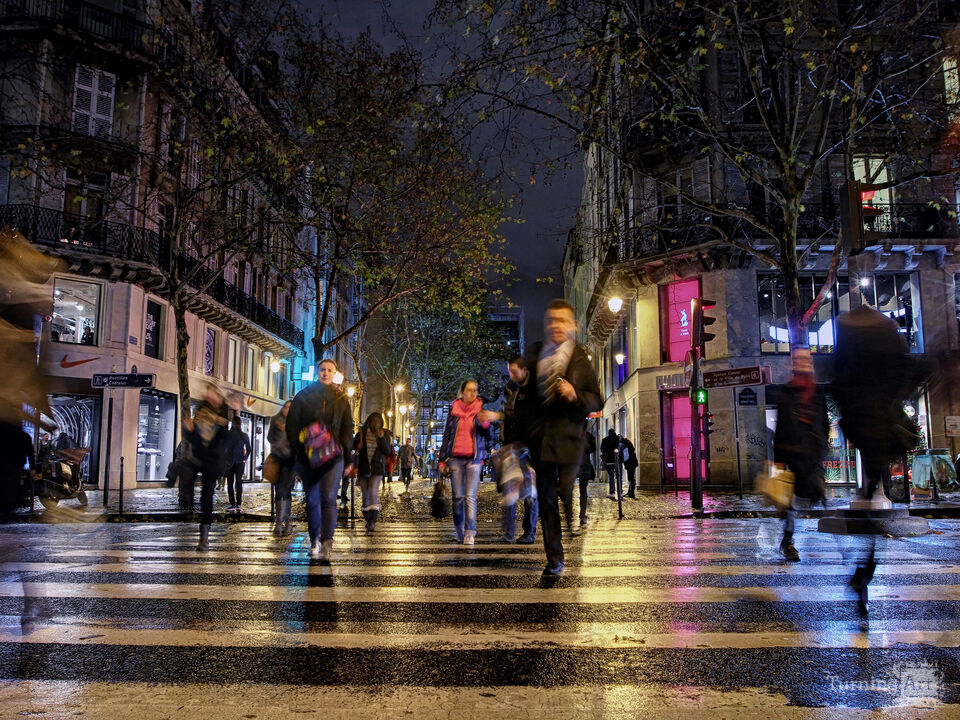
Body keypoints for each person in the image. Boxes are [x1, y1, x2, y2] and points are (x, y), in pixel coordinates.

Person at [516, 299, 602, 575]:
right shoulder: (535, 352)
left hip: (569, 439)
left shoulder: (580, 358)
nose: (556, 325)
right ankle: (554, 557)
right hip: (541, 440)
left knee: (562, 488)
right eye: (551, 320)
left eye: (562, 320)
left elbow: (596, 399)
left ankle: (567, 501)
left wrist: (575, 395)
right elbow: (522, 398)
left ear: (573, 325)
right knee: (546, 499)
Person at [286, 358, 354, 563]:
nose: (325, 373)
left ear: (335, 374)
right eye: (322, 369)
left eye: (329, 370)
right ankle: (315, 539)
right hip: (308, 457)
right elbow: (292, 426)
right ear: (318, 372)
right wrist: (297, 451)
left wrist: (348, 455)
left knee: (328, 498)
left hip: (334, 456)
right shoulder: (303, 396)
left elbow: (347, 429)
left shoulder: (341, 399)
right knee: (313, 500)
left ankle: (327, 540)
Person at [773, 347, 829, 562]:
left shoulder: (817, 392)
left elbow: (823, 424)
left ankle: (843, 548)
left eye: (806, 358)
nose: (803, 362)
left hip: (812, 453)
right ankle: (787, 541)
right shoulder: (785, 392)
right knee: (789, 503)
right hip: (790, 453)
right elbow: (780, 426)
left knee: (814, 496)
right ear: (792, 363)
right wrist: (776, 459)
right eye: (798, 359)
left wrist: (821, 450)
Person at [439, 379, 495, 545]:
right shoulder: (453, 412)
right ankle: (459, 530)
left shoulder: (480, 412)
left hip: (474, 459)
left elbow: (489, 437)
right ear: (462, 392)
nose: (473, 393)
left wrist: (485, 424)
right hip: (455, 459)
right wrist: (442, 461)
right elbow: (447, 436)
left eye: (475, 390)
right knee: (458, 497)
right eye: (469, 390)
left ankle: (470, 531)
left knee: (470, 496)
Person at [182, 382, 231, 551]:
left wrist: (220, 424)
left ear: (217, 395)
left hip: (213, 461)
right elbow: (192, 437)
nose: (209, 396)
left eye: (211, 393)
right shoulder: (202, 410)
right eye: (207, 393)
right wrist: (188, 429)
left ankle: (204, 539)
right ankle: (186, 503)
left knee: (206, 497)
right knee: (185, 476)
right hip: (198, 457)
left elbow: (227, 438)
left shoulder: (224, 412)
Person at [497, 356, 538, 543]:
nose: (511, 375)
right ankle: (509, 531)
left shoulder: (533, 389)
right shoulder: (510, 389)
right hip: (512, 446)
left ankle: (529, 531)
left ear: (524, 370)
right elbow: (507, 416)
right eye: (509, 372)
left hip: (529, 447)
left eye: (514, 371)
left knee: (530, 492)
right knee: (511, 490)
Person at [354, 412, 392, 532]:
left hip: (376, 469)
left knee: (372, 493)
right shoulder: (361, 434)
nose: (377, 423)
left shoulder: (384, 434)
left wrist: (381, 438)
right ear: (369, 421)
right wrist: (357, 447)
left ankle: (372, 521)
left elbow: (387, 451)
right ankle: (367, 519)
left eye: (378, 421)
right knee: (365, 496)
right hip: (363, 468)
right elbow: (354, 449)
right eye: (374, 421)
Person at [267, 401, 294, 536]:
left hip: (290, 460)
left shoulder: (295, 423)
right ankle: (279, 521)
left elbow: (297, 441)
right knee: (280, 490)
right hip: (278, 458)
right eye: (286, 407)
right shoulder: (275, 420)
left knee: (286, 490)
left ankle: (287, 521)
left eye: (290, 408)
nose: (287, 410)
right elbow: (269, 437)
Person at [224, 417, 251, 513]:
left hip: (239, 461)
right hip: (230, 462)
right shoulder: (228, 435)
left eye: (237, 423)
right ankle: (233, 503)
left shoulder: (243, 435)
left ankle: (238, 503)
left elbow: (249, 448)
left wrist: (244, 459)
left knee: (238, 482)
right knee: (231, 483)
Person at [600, 428, 621, 499]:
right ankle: (620, 492)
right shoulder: (617, 439)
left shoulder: (605, 440)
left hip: (609, 460)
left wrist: (607, 451)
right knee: (619, 477)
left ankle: (612, 492)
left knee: (611, 477)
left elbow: (602, 449)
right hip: (617, 460)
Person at [619, 435, 638, 499]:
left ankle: (632, 492)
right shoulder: (627, 443)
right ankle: (630, 491)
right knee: (630, 477)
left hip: (630, 463)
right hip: (632, 462)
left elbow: (626, 455)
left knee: (631, 477)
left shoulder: (624, 445)